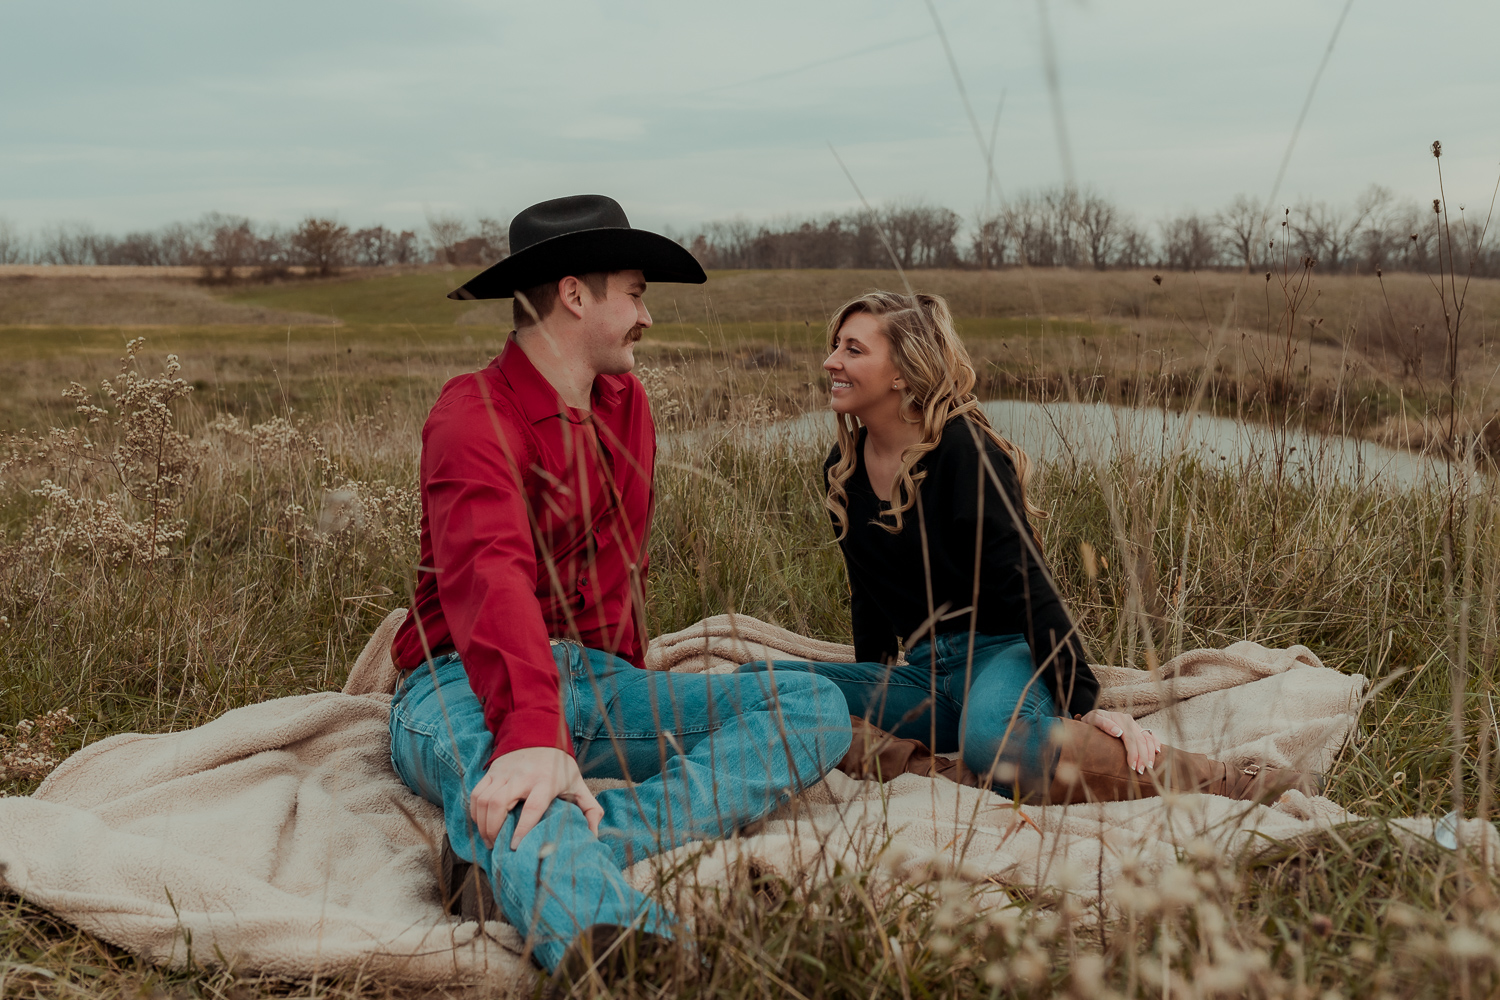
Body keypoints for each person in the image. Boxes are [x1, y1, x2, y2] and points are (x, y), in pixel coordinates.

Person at [386, 195, 851, 980]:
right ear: (575, 295)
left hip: (597, 683)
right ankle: (634, 961)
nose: (645, 316)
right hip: (460, 680)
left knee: (814, 706)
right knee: (511, 778)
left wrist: (610, 693)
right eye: (634, 294)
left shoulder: (625, 404)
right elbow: (491, 579)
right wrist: (534, 736)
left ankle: (532, 850)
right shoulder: (472, 416)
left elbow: (616, 576)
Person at [740, 290, 1322, 804]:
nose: (831, 361)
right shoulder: (842, 468)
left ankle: (1235, 782)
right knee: (766, 685)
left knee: (995, 742)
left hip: (1004, 654)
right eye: (835, 347)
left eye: (853, 349)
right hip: (924, 675)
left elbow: (1028, 582)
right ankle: (933, 765)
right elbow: (867, 594)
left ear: (902, 372)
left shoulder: (965, 452)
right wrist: (872, 682)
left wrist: (1082, 702)